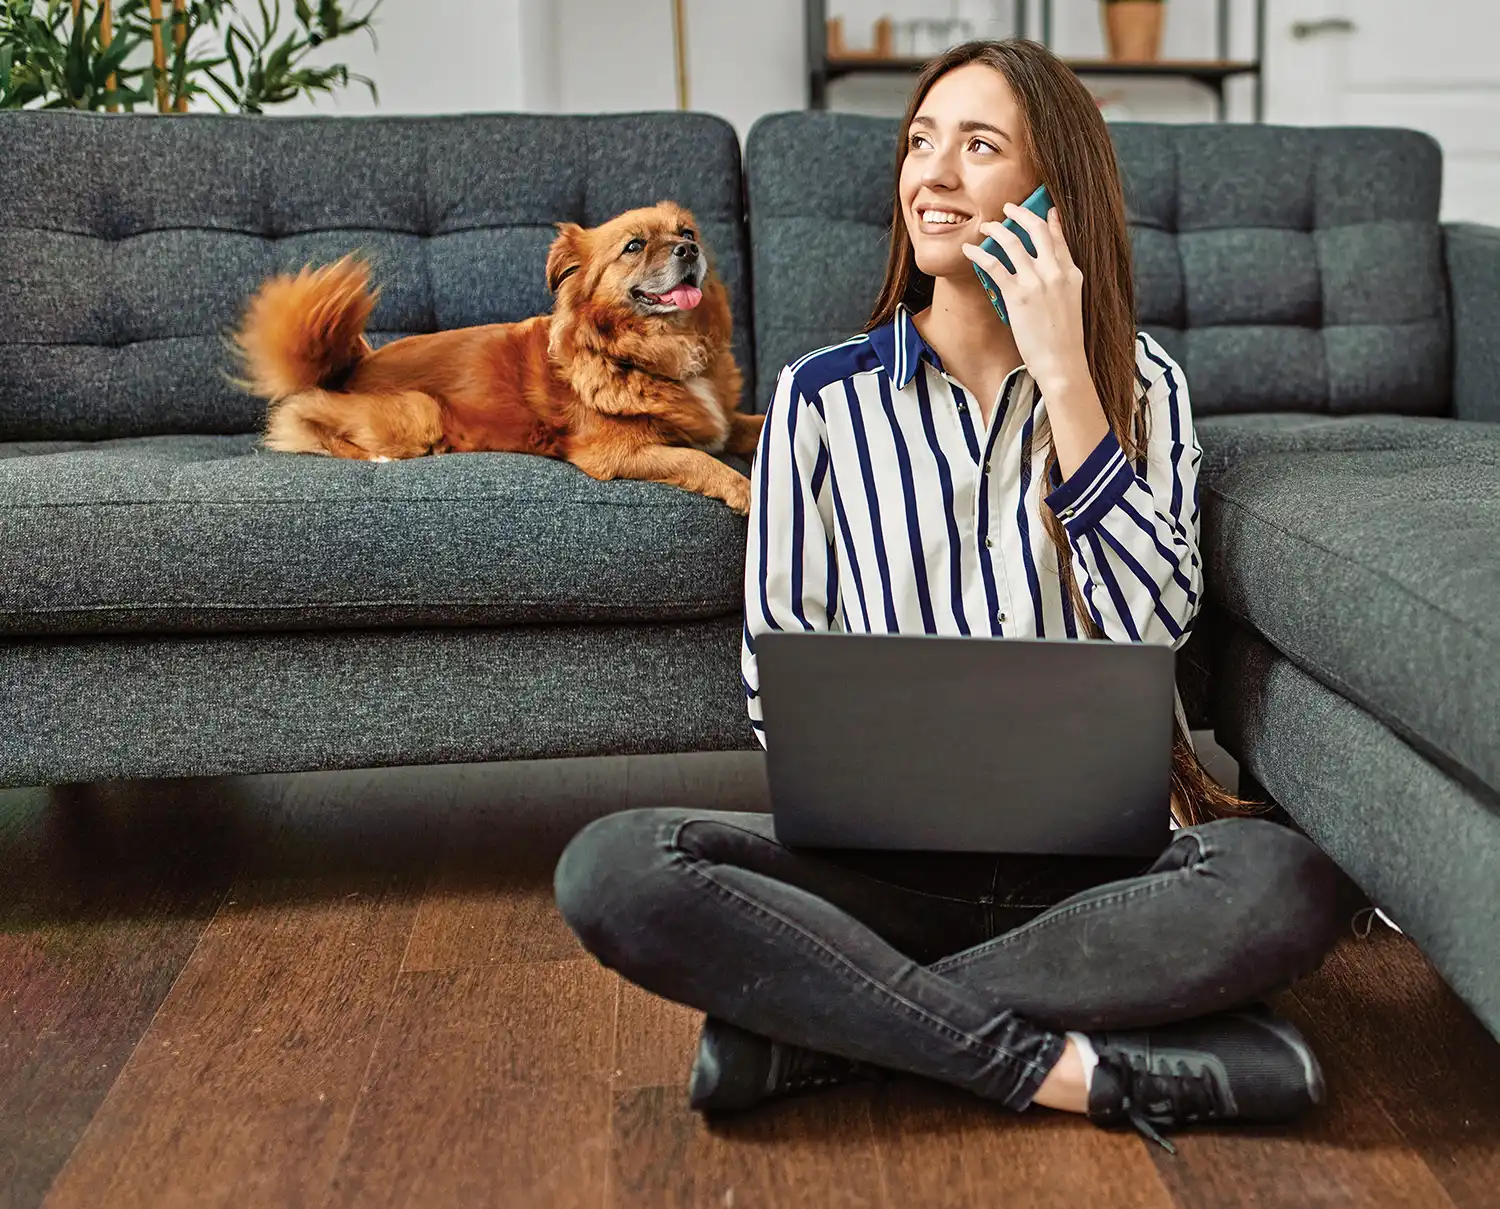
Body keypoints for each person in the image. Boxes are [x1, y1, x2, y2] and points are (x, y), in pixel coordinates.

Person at [554, 39, 1343, 1150]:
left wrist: (1070, 380)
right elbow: (777, 682)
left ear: (1052, 195)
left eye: (978, 147)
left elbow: (1154, 629)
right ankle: (1061, 1066)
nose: (931, 174)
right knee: (618, 866)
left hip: (1102, 874)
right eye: (921, 142)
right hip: (875, 876)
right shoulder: (819, 402)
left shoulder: (1142, 385)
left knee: (1288, 880)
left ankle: (826, 1028)